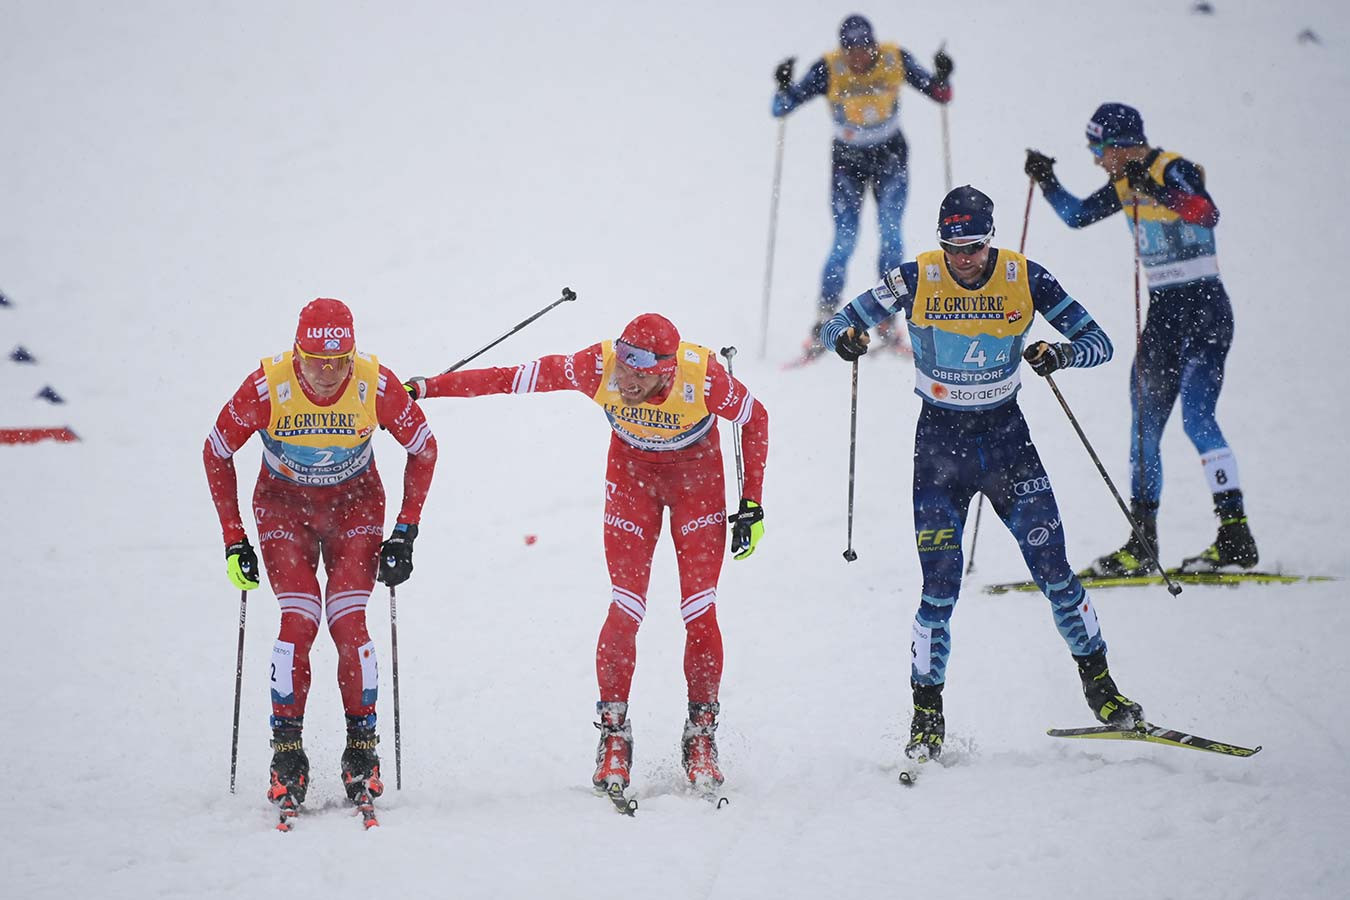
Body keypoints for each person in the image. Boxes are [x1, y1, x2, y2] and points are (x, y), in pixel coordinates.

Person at [820, 186, 1143, 762]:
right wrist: (844, 339)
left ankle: (1104, 690)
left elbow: (1102, 343)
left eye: (971, 247)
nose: (962, 259)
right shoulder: (916, 276)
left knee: (1056, 574)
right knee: (938, 590)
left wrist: (1060, 355)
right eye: (951, 246)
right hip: (939, 451)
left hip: (1007, 445)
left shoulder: (1027, 277)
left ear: (990, 240)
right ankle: (926, 715)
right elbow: (841, 322)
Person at [405, 314, 768, 792]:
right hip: (631, 481)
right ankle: (614, 737)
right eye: (623, 364)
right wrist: (429, 388)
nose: (625, 378)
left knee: (699, 611)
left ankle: (701, 735)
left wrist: (752, 503)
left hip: (696, 483)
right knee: (625, 608)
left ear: (666, 370)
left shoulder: (702, 377)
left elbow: (755, 416)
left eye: (639, 371)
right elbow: (512, 378)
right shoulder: (596, 366)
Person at [204, 298, 438, 818]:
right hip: (283, 510)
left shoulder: (374, 385)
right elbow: (216, 450)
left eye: (339, 361)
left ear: (353, 355)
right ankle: (286, 755)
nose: (328, 373)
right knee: (299, 620)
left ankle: (362, 749)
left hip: (355, 507)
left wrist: (406, 531)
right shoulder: (268, 387)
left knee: (348, 621)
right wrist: (233, 538)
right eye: (315, 361)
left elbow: (424, 448)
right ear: (297, 354)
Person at [1025, 103, 1258, 575]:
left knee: (1197, 419)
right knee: (1143, 430)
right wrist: (1046, 179)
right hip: (1164, 315)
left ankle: (1235, 535)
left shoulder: (1173, 167)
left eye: (1097, 150)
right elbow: (1077, 216)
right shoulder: (1124, 181)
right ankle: (1142, 544)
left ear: (1119, 144)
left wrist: (1156, 189)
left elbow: (1206, 213)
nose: (1095, 160)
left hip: (1204, 308)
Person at [772, 13, 953, 359]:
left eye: (864, 47)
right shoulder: (829, 68)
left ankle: (887, 322)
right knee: (844, 239)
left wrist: (943, 75)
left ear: (873, 44)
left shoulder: (893, 58)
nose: (859, 56)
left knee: (891, 234)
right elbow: (780, 108)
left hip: (890, 157)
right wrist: (783, 86)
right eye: (851, 49)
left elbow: (940, 94)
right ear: (842, 50)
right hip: (848, 161)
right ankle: (825, 320)